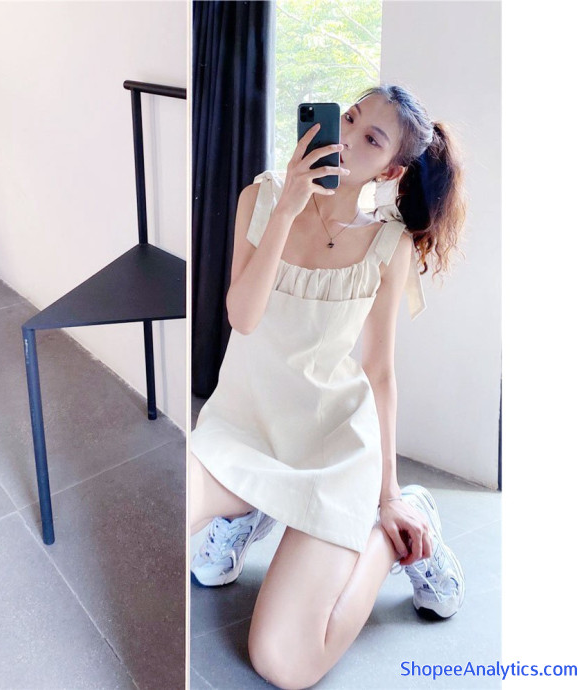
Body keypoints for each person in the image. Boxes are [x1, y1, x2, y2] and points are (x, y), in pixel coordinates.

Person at [190, 83, 467, 690]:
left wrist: (388, 494)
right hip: (242, 428)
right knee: (167, 504)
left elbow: (380, 371)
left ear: (390, 170)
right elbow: (242, 316)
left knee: (283, 663)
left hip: (332, 450)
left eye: (371, 137)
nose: (346, 135)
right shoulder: (263, 198)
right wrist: (288, 208)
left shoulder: (389, 244)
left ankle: (394, 533)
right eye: (349, 117)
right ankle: (252, 506)